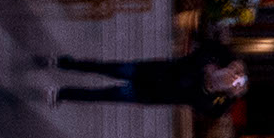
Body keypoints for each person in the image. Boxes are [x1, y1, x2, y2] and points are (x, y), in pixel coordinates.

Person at [42, 39, 248, 108]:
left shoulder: (206, 97)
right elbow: (211, 47)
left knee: (103, 94)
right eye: (232, 74)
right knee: (105, 68)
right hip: (147, 71)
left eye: (233, 83)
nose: (230, 79)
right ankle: (64, 63)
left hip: (148, 94)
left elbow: (211, 111)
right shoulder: (206, 60)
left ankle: (62, 93)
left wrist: (228, 94)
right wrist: (230, 61)